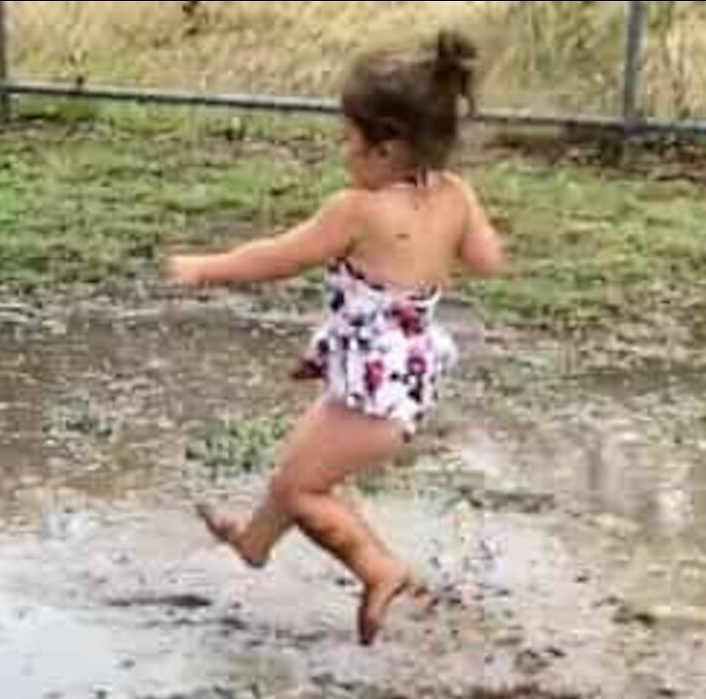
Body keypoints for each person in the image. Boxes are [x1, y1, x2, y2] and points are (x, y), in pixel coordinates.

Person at [166, 30, 504, 645]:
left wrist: (206, 267)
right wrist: (447, 233)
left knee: (304, 488)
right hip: (401, 370)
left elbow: (278, 256)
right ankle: (252, 544)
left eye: (349, 138)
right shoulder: (457, 194)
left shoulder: (356, 209)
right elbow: (488, 259)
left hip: (375, 385)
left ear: (387, 146)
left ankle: (379, 570)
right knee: (296, 464)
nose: (341, 150)